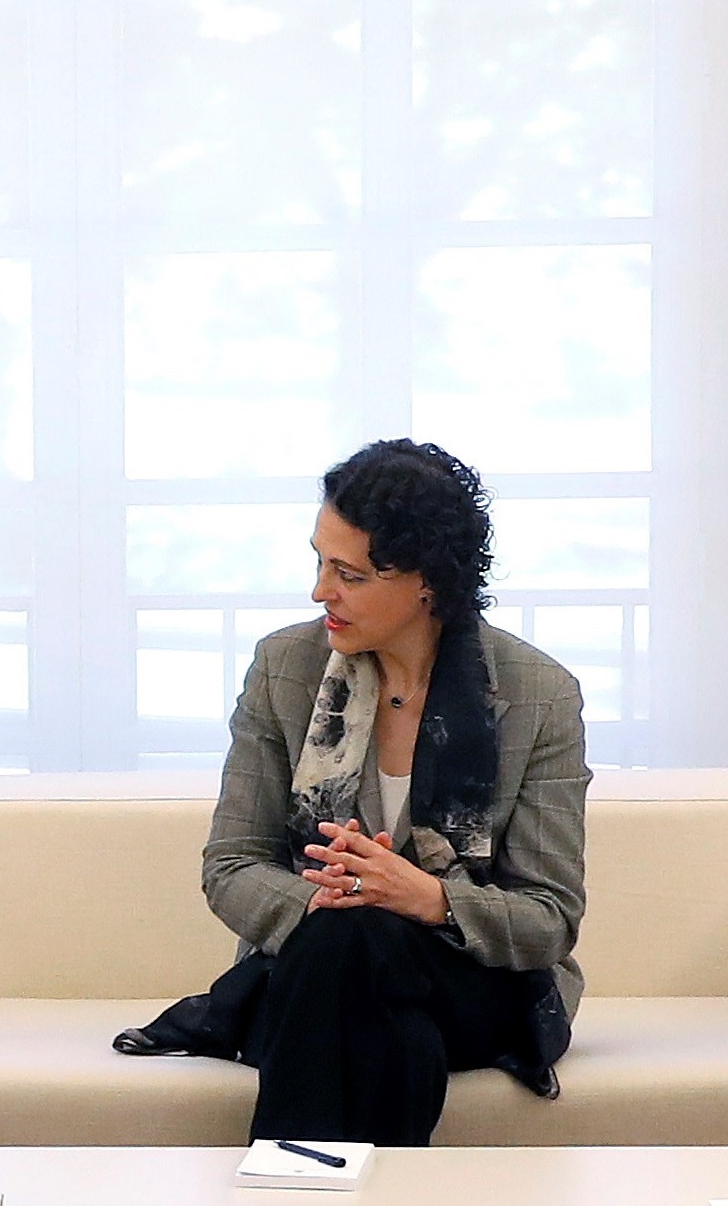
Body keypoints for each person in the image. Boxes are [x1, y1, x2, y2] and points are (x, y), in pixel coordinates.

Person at [137, 439, 588, 1146]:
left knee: (359, 947)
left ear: (425, 582)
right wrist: (335, 901)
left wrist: (424, 898)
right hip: (323, 967)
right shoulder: (285, 669)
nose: (321, 591)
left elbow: (548, 919)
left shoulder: (535, 696)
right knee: (355, 948)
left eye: (346, 572)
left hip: (473, 987)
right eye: (318, 561)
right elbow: (230, 866)